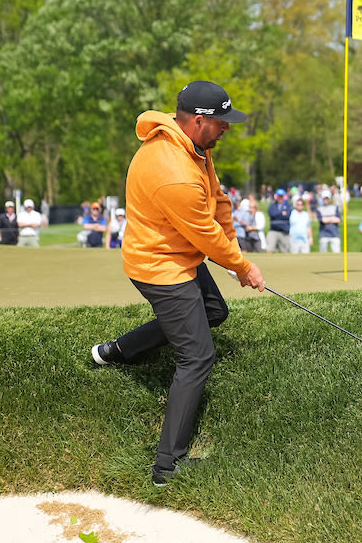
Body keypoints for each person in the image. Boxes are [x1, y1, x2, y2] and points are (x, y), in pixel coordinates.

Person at [88, 79, 265, 488]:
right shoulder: (173, 172)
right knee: (197, 357)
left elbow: (218, 204)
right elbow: (205, 235)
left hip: (178, 255)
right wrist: (242, 267)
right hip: (160, 267)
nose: (227, 128)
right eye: (221, 122)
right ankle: (168, 467)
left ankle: (117, 351)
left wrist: (236, 257)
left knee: (214, 312)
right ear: (199, 121)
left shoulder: (196, 148)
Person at [266, 189, 292, 253]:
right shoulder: (272, 205)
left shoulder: (288, 206)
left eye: (281, 196)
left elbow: (287, 215)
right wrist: (281, 213)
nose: (280, 198)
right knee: (270, 249)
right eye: (279, 196)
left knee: (284, 251)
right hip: (273, 230)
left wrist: (277, 214)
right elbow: (271, 214)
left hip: (284, 232)